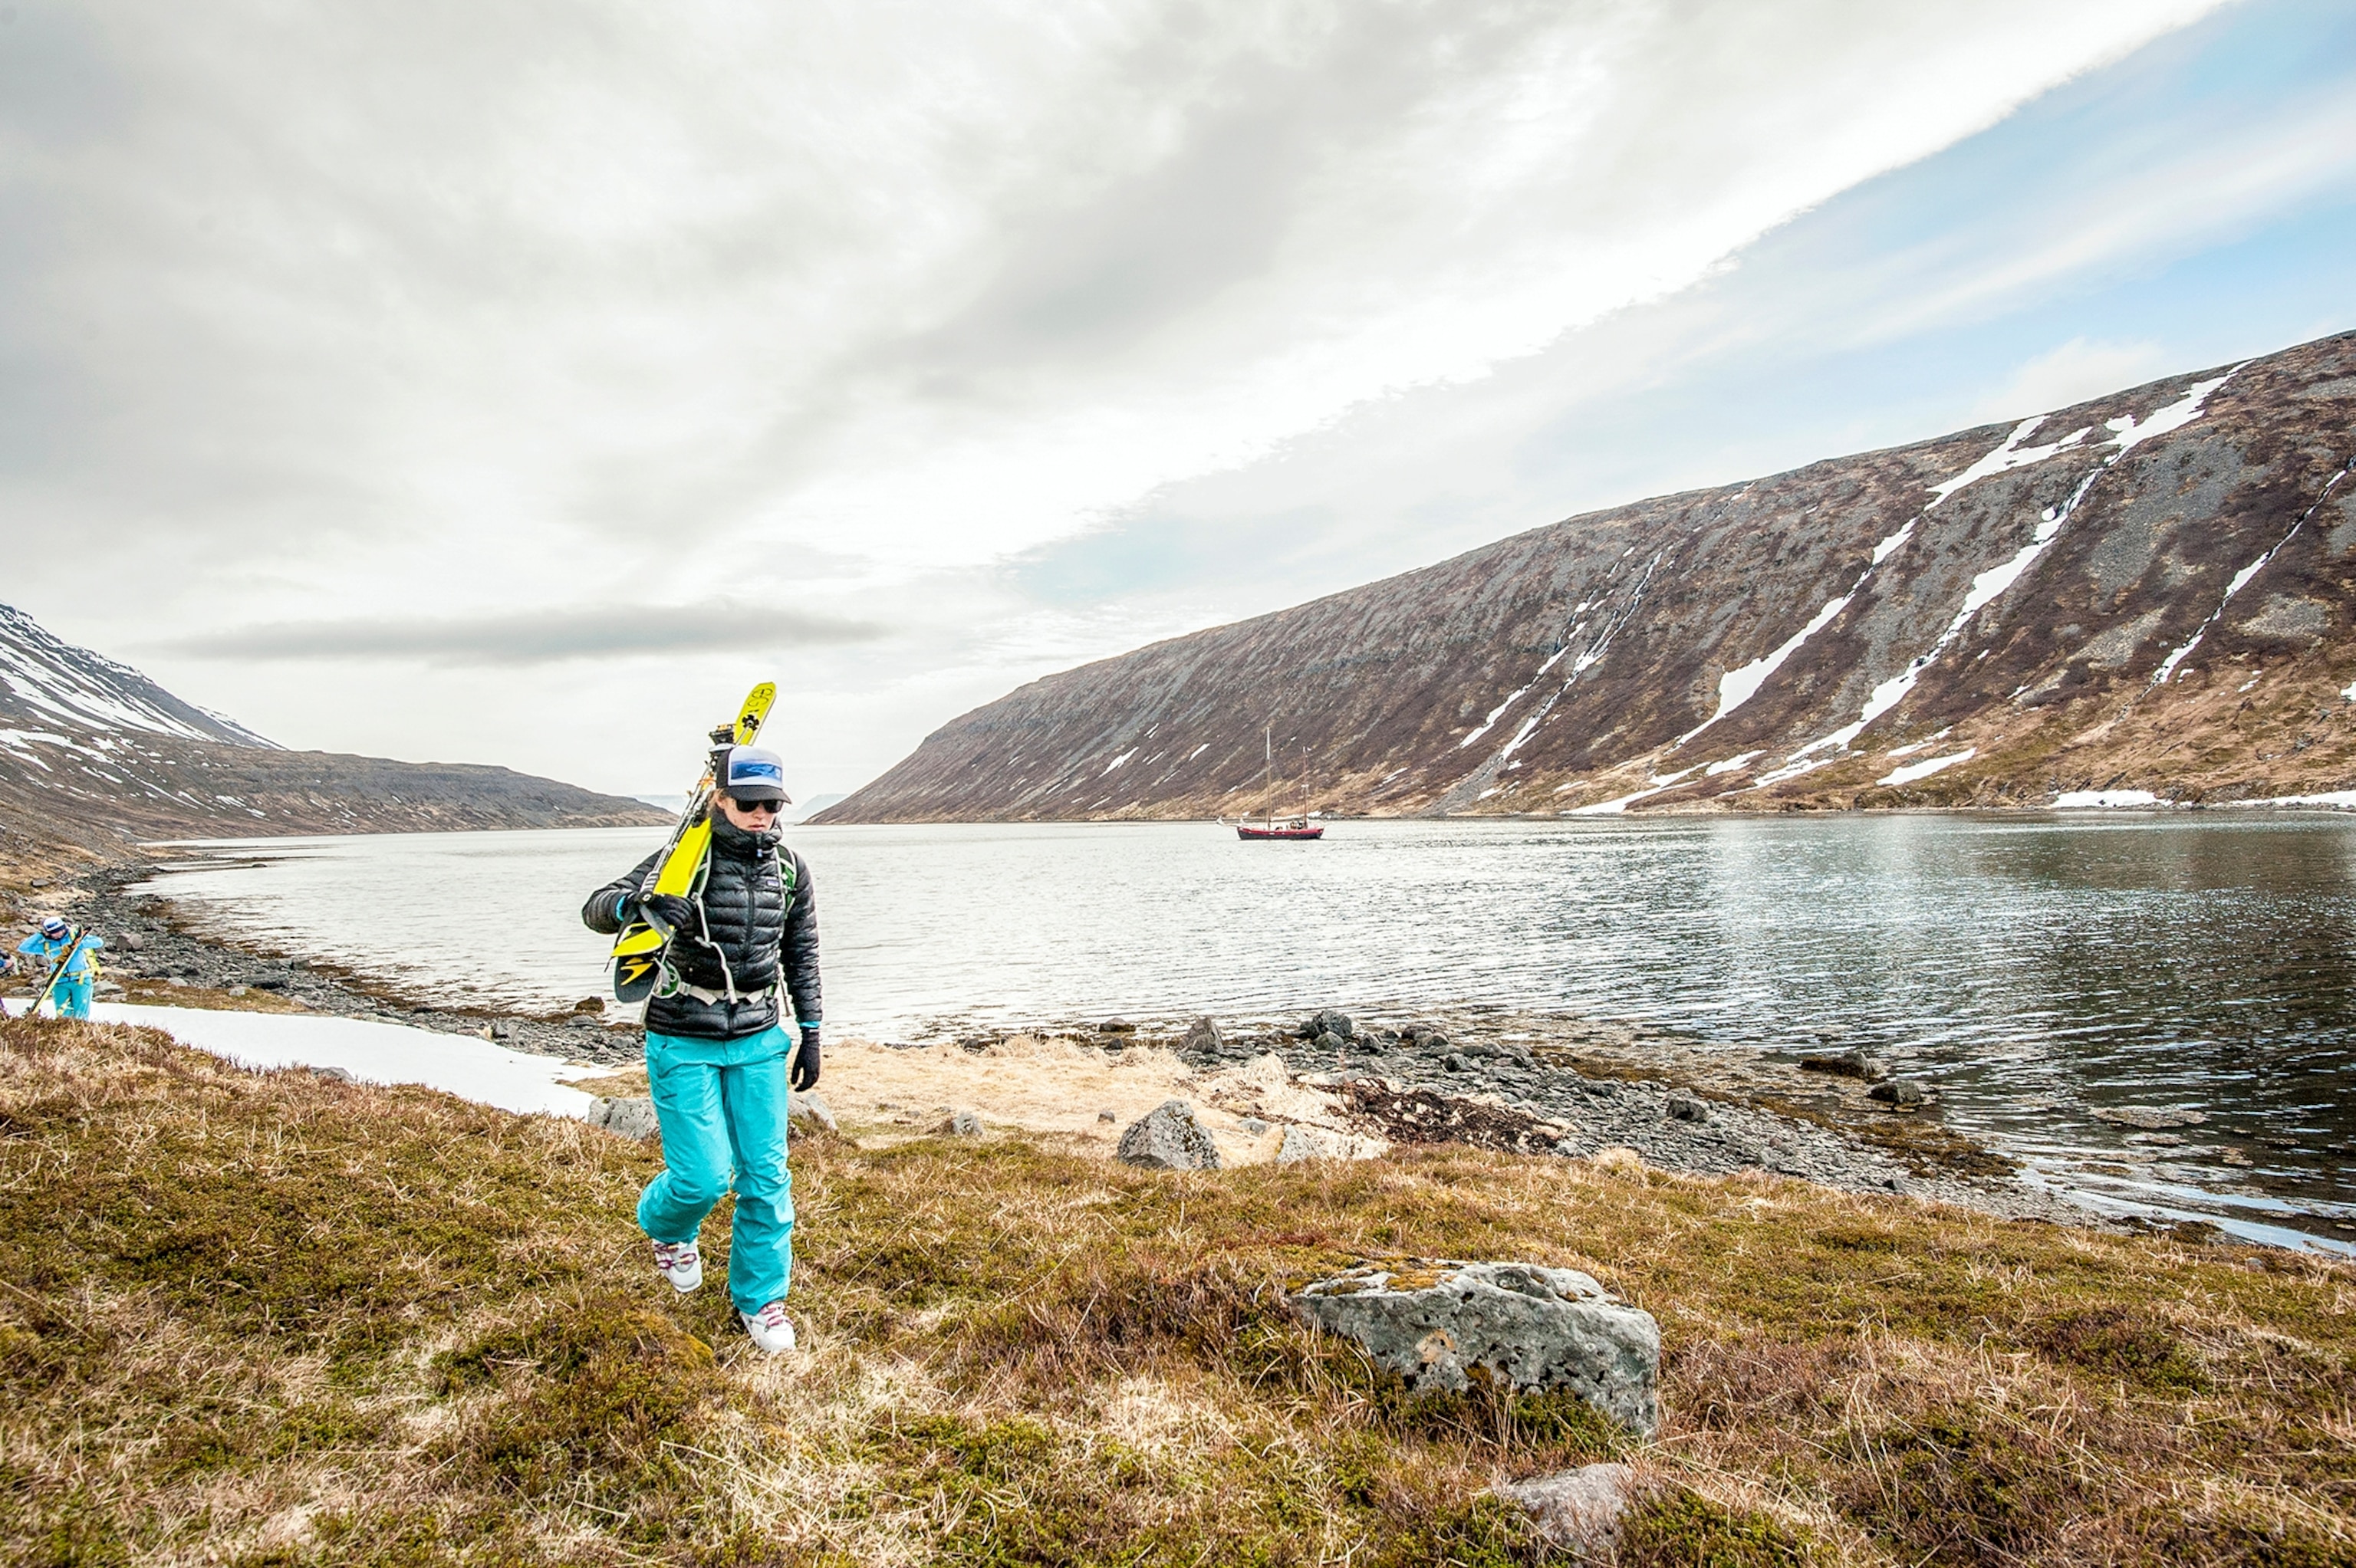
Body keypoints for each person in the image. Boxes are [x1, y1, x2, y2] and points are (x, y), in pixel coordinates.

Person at [581, 744, 820, 1354]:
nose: (762, 814)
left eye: (772, 803)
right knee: (704, 1176)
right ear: (720, 800)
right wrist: (641, 904)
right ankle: (667, 1229)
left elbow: (802, 954)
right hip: (682, 1032)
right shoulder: (681, 861)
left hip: (761, 1036)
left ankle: (762, 1301)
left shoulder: (790, 869)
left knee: (766, 1177)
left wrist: (813, 1030)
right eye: (748, 803)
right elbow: (595, 908)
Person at [16, 915, 104, 1021]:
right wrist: (40, 935)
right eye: (53, 932)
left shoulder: (74, 937)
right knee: (62, 1015)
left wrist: (78, 944)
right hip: (59, 981)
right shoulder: (46, 945)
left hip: (81, 980)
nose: (58, 934)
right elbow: (23, 948)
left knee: (81, 1015)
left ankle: (81, 1035)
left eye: (60, 931)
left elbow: (99, 942)